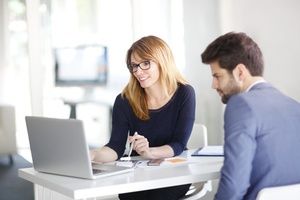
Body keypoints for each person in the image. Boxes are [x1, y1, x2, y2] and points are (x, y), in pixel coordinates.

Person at [91, 35, 195, 200]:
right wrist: (93, 155)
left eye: (145, 64)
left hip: (173, 172)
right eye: (134, 66)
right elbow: (115, 147)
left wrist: (150, 152)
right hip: (138, 174)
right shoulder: (124, 100)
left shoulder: (184, 93)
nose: (138, 71)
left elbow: (179, 143)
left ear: (162, 61)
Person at [201, 31, 300, 200]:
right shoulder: (294, 105)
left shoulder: (241, 104)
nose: (214, 85)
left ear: (240, 72)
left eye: (217, 76)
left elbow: (234, 185)